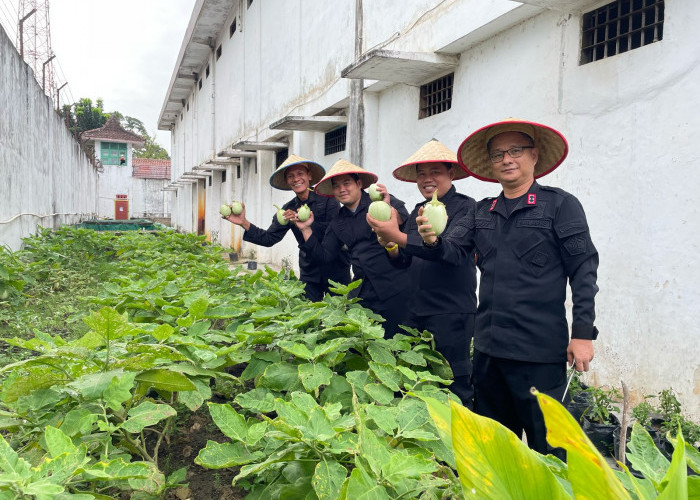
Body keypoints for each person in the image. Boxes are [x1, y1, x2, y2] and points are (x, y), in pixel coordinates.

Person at [416, 119, 599, 456]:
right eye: (498, 154)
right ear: (490, 163)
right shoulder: (481, 211)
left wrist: (583, 333)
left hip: (539, 353)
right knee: (498, 450)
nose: (507, 159)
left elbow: (584, 269)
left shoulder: (560, 205)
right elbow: (452, 250)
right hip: (488, 352)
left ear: (534, 156)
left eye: (516, 151)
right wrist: (431, 239)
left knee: (551, 451)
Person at [366, 139, 477, 406]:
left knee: (455, 380)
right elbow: (404, 261)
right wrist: (391, 245)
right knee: (414, 378)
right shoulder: (419, 209)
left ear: (451, 173)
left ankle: (460, 441)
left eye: (435, 172)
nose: (427, 179)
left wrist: (398, 235)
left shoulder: (467, 208)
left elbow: (450, 253)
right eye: (421, 174)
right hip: (416, 309)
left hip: (451, 311)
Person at [295, 159, 411, 337]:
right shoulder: (338, 221)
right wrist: (306, 229)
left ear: (359, 184)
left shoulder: (379, 200)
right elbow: (325, 256)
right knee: (366, 344)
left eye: (346, 183)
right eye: (336, 186)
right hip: (363, 290)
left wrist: (387, 208)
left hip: (394, 285)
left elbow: (405, 221)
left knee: (397, 341)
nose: (342, 189)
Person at [224, 155, 350, 301]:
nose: (296, 179)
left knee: (340, 316)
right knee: (309, 316)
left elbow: (333, 232)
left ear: (309, 176)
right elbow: (269, 238)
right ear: (287, 181)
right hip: (310, 270)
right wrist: (243, 222)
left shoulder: (328, 198)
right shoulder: (288, 209)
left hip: (336, 267)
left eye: (300, 174)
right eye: (290, 176)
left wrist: (307, 223)